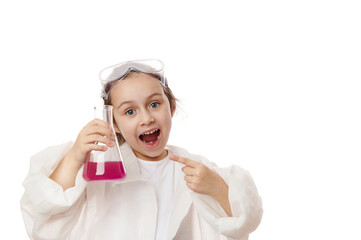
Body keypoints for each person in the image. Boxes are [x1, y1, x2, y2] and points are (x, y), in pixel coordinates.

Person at [20, 59, 263, 240]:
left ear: (172, 108)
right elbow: (45, 213)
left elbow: (243, 222)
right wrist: (74, 156)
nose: (146, 118)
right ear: (113, 124)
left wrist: (217, 188)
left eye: (154, 104)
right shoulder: (101, 171)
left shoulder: (193, 169)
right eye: (130, 111)